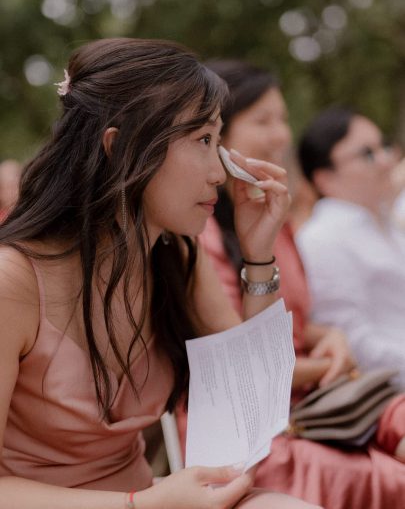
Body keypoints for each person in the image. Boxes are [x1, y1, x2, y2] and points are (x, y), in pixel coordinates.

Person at [0, 38, 319, 509]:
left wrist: (259, 255)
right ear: (120, 146)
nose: (219, 172)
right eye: (203, 141)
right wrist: (140, 503)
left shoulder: (176, 258)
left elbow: (252, 397)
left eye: (219, 140)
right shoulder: (14, 281)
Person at [175, 60, 405, 509]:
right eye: (263, 120)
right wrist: (337, 365)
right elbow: (247, 363)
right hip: (259, 427)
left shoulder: (277, 224)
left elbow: (298, 321)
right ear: (219, 138)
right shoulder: (200, 239)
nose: (282, 135)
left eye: (282, 119)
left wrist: (330, 336)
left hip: (322, 403)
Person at [296, 106, 405, 388]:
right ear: (324, 178)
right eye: (368, 154)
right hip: (389, 394)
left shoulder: (385, 223)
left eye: (384, 147)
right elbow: (355, 343)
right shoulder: (322, 239)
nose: (385, 161)